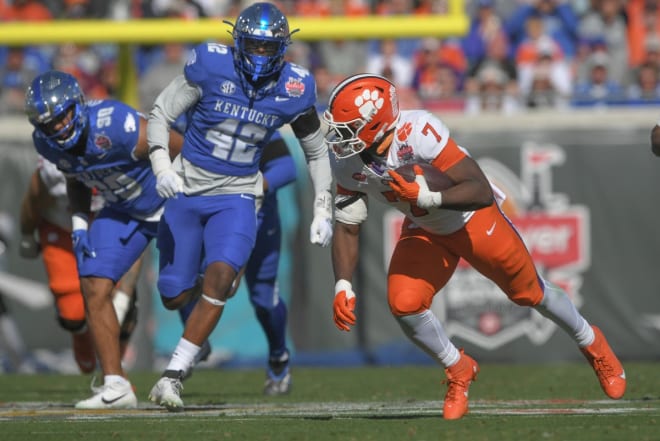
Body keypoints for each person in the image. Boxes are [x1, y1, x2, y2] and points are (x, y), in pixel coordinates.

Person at [323, 73, 626, 420]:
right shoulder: (345, 161)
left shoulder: (418, 132)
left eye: (347, 127)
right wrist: (342, 284)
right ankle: (458, 369)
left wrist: (426, 195)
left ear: (374, 123)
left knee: (530, 293)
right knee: (403, 303)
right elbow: (347, 226)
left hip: (471, 221)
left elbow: (479, 190)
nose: (338, 137)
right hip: (425, 229)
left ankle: (592, 342)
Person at [146, 1, 333, 411]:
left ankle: (173, 375)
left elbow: (316, 151)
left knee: (223, 278)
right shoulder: (211, 65)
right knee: (174, 294)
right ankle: (197, 333)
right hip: (188, 188)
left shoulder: (294, 86)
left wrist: (323, 208)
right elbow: (160, 113)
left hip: (238, 193)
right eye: (254, 45)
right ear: (237, 42)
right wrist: (162, 165)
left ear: (283, 48)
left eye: (270, 48)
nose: (261, 56)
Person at [24, 69, 184, 409]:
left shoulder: (115, 125)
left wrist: (191, 194)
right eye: (49, 123)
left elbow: (179, 146)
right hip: (123, 209)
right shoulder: (46, 144)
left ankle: (197, 336)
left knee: (176, 293)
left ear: (78, 104)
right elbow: (76, 179)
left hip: (171, 201)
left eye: (63, 115)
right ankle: (116, 383)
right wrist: (80, 223)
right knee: (93, 283)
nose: (58, 127)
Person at [18, 155, 143, 374]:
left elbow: (137, 230)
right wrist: (27, 233)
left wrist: (124, 296)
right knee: (72, 313)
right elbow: (34, 197)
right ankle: (81, 332)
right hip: (62, 227)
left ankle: (114, 372)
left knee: (122, 311)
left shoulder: (126, 160)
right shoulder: (55, 165)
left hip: (109, 228)